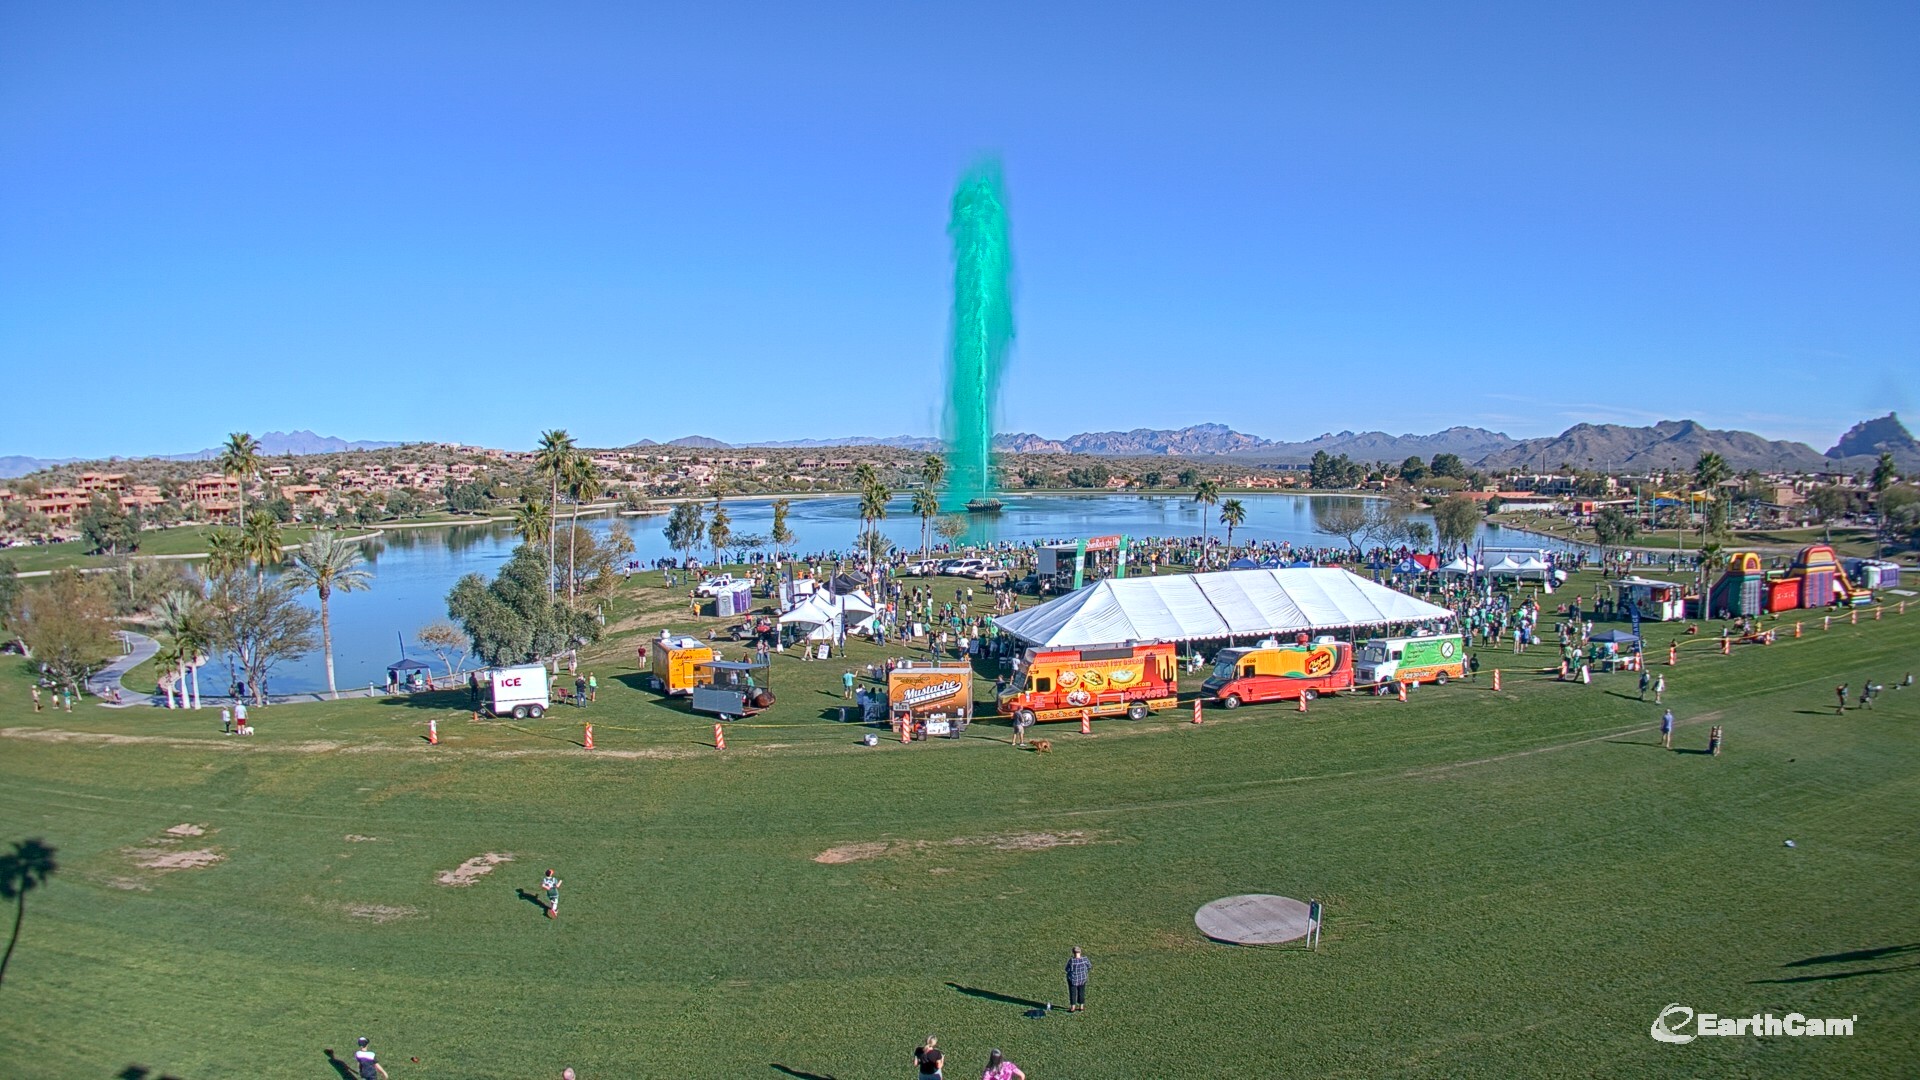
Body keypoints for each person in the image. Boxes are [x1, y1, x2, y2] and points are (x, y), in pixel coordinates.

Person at [1066, 946, 1091, 1012]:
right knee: (1081, 992)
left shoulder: (1072, 961)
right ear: (1080, 952)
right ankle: (1081, 1007)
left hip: (1073, 979)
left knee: (1073, 993)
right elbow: (1089, 966)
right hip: (1082, 979)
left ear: (1073, 953)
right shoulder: (1085, 959)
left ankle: (1073, 1007)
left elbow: (1067, 969)